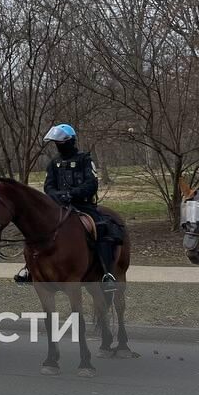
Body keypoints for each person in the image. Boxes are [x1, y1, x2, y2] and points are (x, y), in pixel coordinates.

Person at [40, 123, 120, 289]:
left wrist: (73, 194)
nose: (59, 146)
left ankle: (107, 273)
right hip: (59, 206)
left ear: (71, 141)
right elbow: (48, 186)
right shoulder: (54, 163)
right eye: (56, 143)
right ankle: (30, 269)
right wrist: (57, 195)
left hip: (83, 206)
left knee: (101, 227)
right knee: (39, 228)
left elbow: (91, 184)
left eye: (61, 142)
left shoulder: (84, 159)